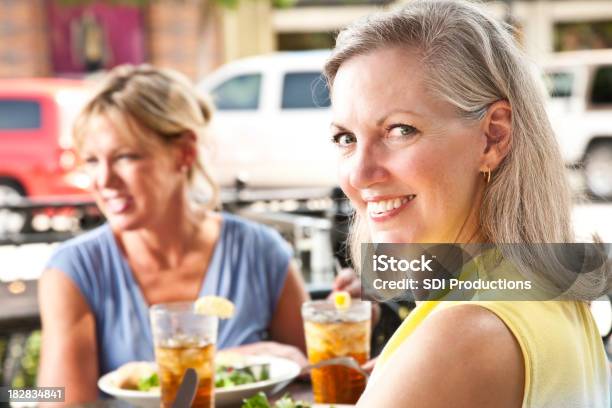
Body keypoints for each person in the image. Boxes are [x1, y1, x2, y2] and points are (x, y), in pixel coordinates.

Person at [323, 0, 610, 407]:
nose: (359, 174)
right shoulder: (543, 287)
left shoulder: (463, 336)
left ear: (493, 136)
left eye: (400, 130)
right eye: (346, 138)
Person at [37, 65, 309, 404]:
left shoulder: (261, 251)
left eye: (125, 157)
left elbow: (310, 378)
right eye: (92, 161)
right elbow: (54, 400)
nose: (103, 180)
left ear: (184, 152)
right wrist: (229, 360)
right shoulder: (72, 270)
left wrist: (357, 310)